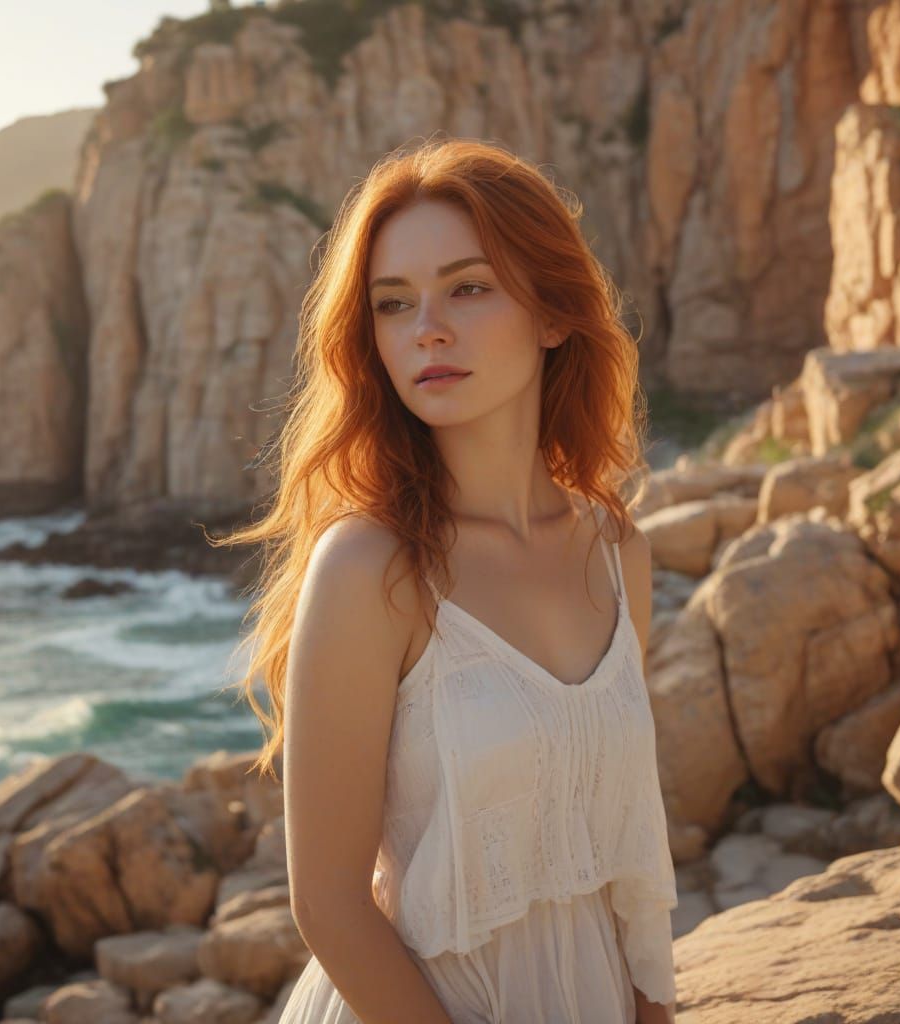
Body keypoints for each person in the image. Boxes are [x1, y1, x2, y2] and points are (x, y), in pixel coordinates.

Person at [212, 134, 678, 1023]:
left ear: (552, 313)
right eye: (394, 303)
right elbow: (330, 906)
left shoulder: (617, 550)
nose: (427, 327)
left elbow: (631, 856)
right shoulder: (369, 567)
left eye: (468, 288)